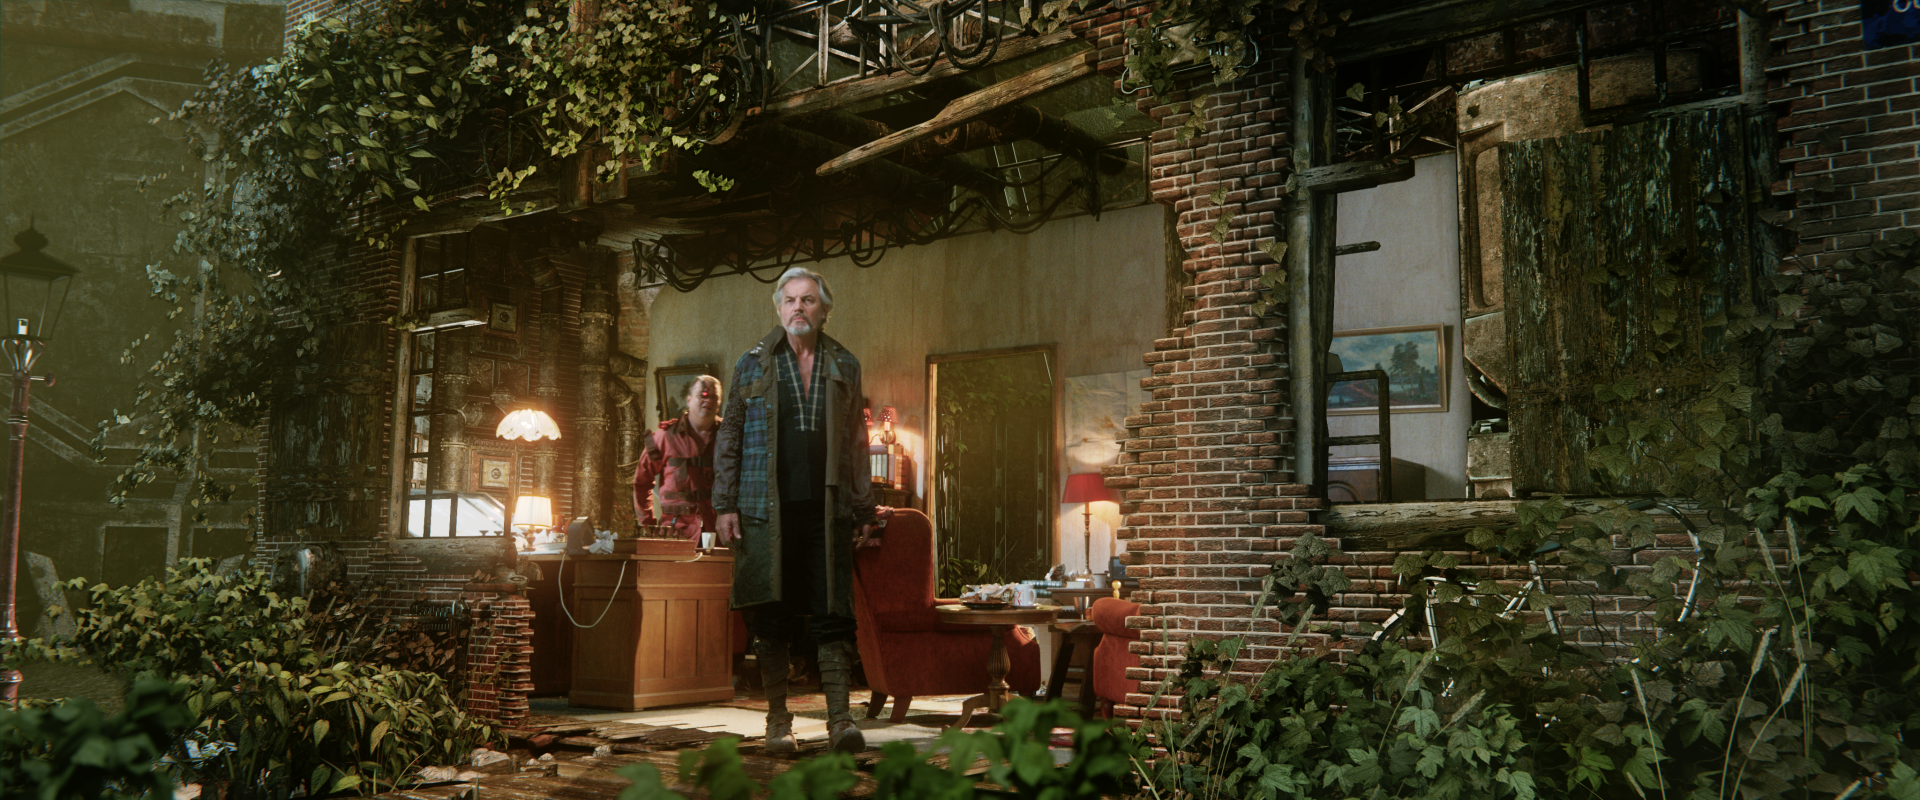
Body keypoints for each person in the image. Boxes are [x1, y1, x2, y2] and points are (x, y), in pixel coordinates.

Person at [712, 266, 890, 755]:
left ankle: (840, 722)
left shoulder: (845, 364)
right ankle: (777, 723)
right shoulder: (751, 363)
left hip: (826, 510)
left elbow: (856, 442)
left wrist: (863, 508)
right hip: (763, 510)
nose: (798, 308)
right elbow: (729, 436)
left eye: (808, 300)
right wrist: (724, 504)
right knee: (771, 615)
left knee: (833, 612)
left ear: (824, 310)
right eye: (790, 300)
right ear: (778, 308)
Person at [632, 374, 722, 541]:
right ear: (688, 399)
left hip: (719, 533)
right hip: (676, 534)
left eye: (713, 397)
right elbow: (641, 482)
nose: (708, 400)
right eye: (702, 395)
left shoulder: (728, 437)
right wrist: (648, 525)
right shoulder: (665, 437)